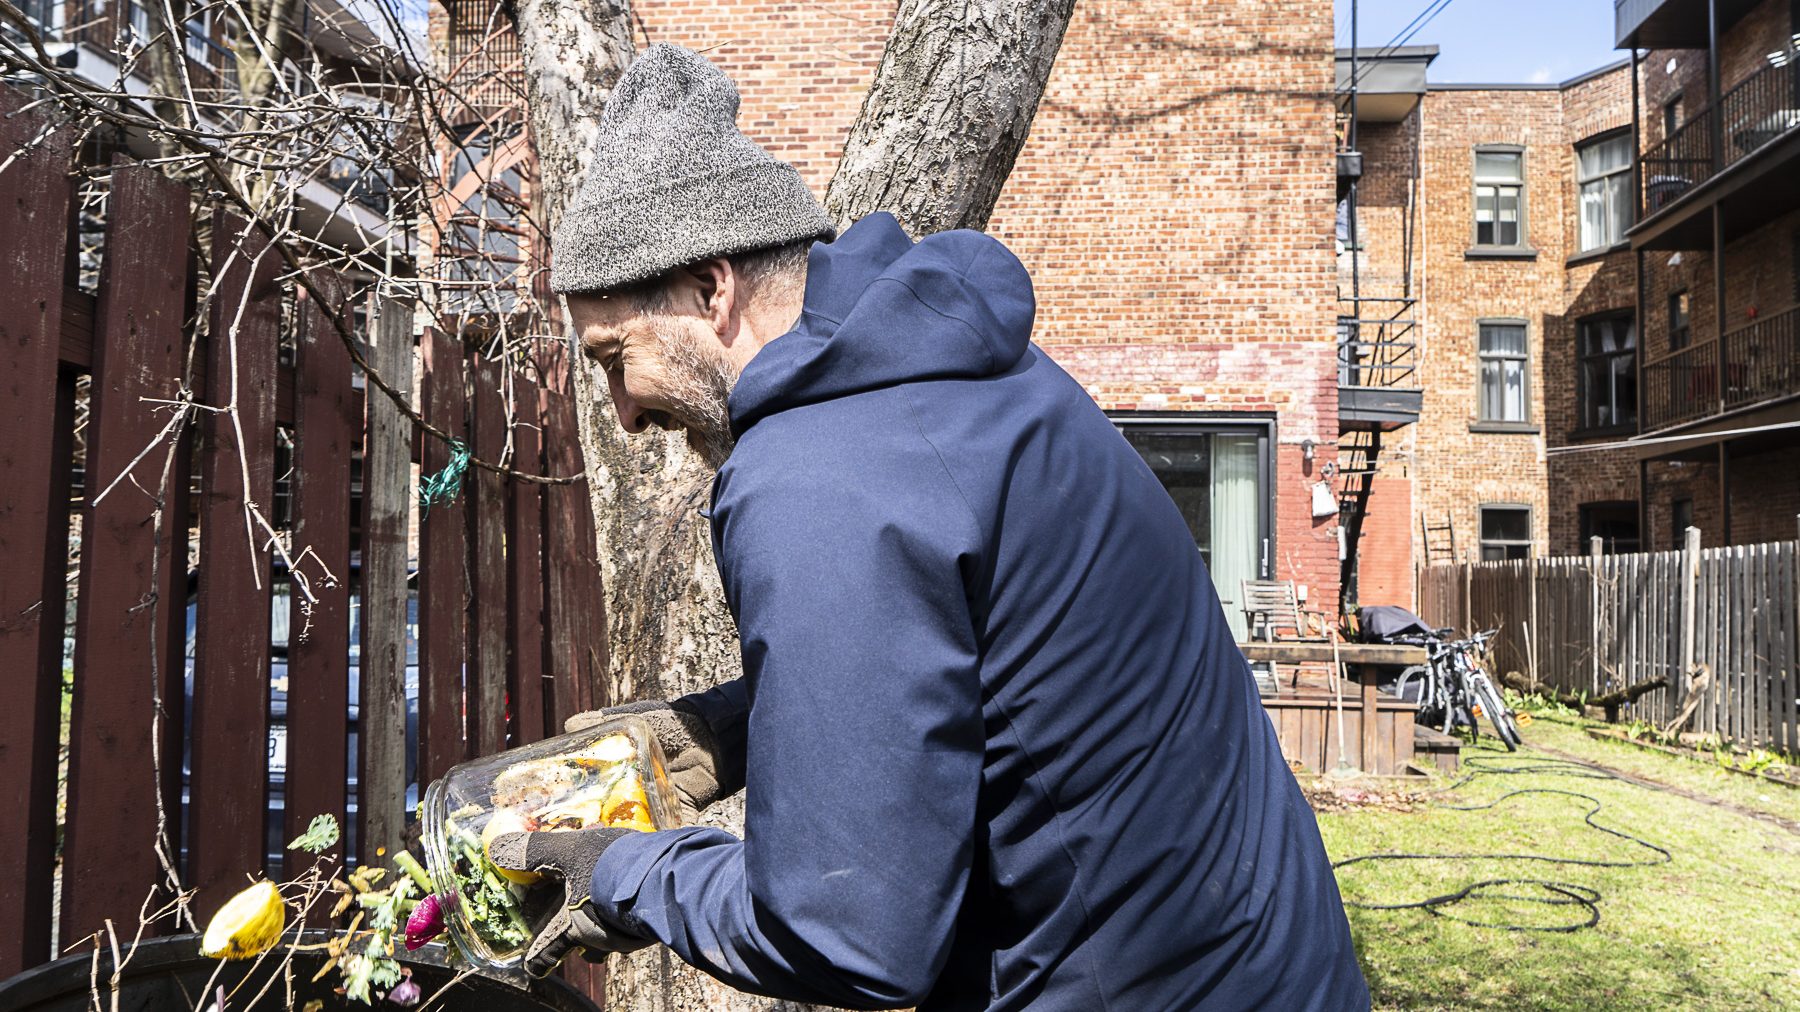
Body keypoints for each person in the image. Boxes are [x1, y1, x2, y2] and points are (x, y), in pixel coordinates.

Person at [488, 42, 1369, 1012]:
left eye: (616, 357)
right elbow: (984, 663)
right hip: (1272, 963)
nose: (620, 409)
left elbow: (849, 932)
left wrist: (623, 873)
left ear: (711, 287)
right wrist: (736, 728)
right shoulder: (953, 377)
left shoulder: (815, 473)